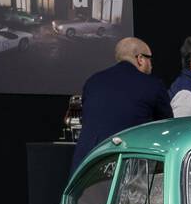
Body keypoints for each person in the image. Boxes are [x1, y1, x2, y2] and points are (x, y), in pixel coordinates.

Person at [70, 37, 171, 170]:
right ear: (140, 59)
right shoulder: (153, 85)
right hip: (125, 168)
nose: (151, 65)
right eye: (149, 59)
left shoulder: (93, 81)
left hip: (87, 166)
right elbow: (167, 127)